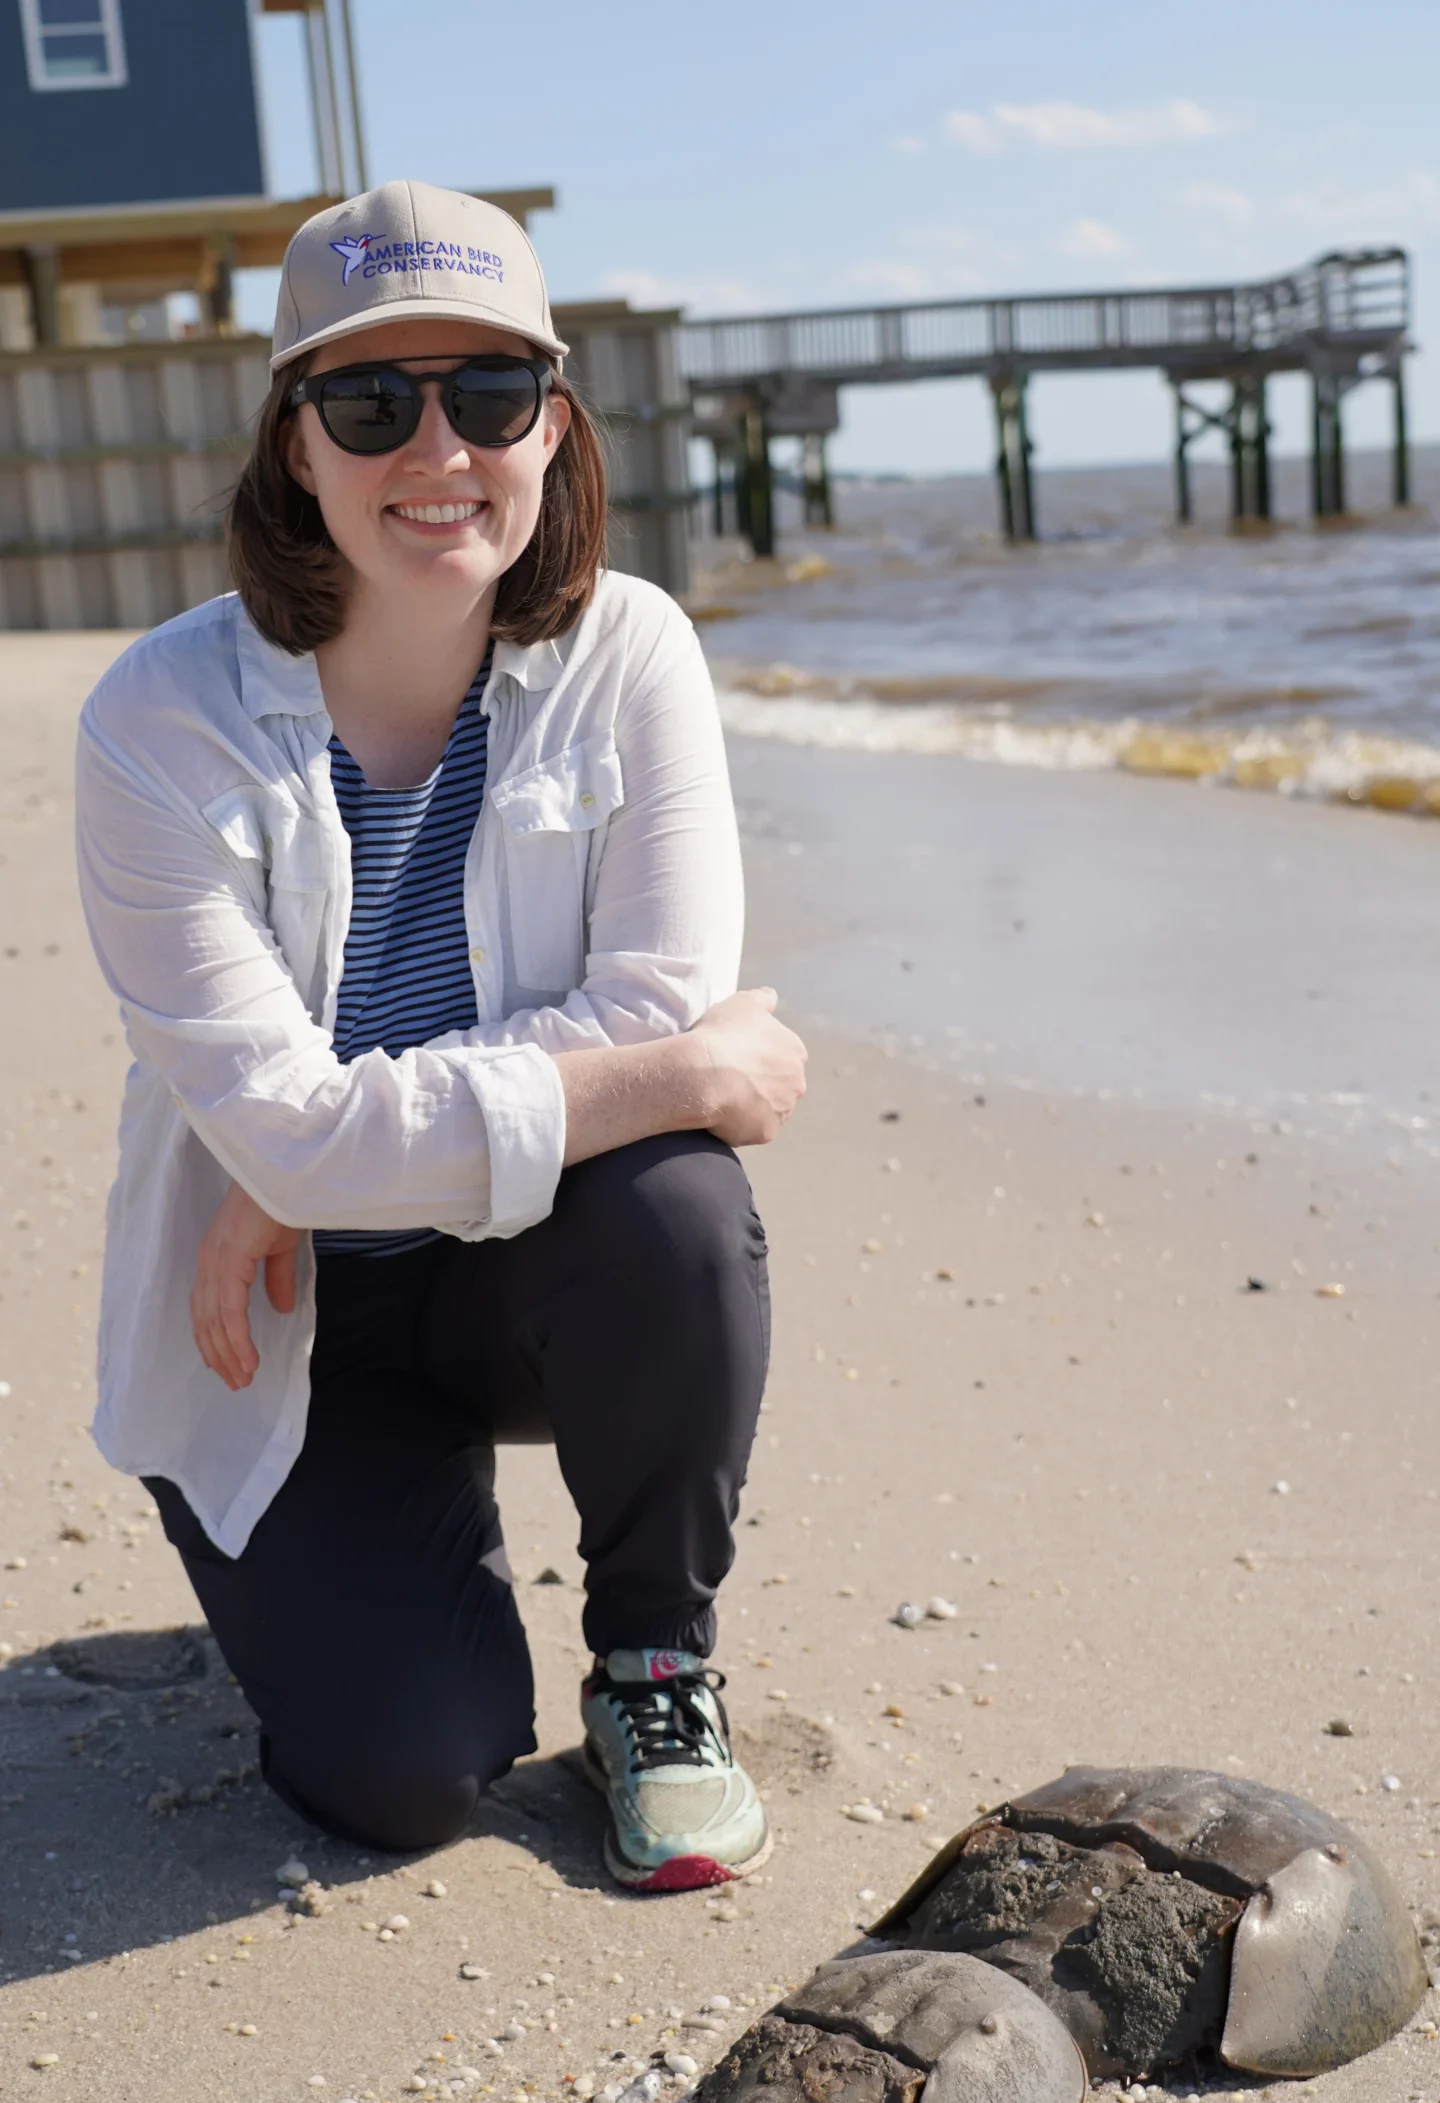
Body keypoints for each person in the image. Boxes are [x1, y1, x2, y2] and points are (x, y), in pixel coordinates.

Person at [74, 179, 807, 1892]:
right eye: (370, 400)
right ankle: (367, 1566)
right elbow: (660, 1045)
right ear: (295, 446)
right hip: (268, 1325)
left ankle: (653, 1667)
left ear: (552, 423)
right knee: (410, 1773)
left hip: (523, 1273)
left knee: (677, 1209)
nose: (438, 447)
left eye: (487, 394)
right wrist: (298, 1170)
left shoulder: (634, 655)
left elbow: (640, 1000)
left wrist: (319, 1153)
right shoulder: (153, 727)